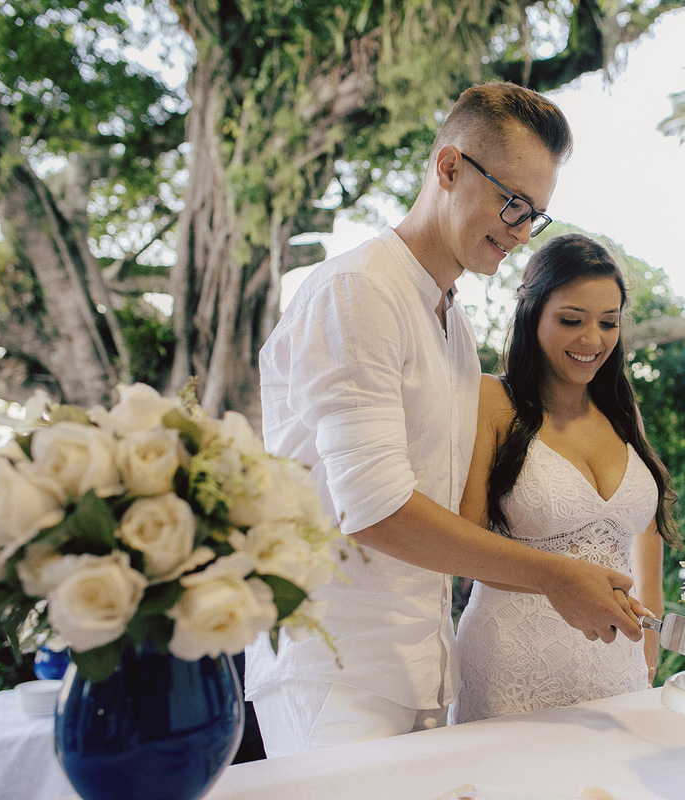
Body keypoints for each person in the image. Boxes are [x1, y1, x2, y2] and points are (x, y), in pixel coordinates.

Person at [248, 83, 644, 757]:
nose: (519, 231)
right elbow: (373, 509)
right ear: (449, 167)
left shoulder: (452, 324)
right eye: (512, 202)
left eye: (535, 216)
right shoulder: (359, 291)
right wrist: (551, 574)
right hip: (337, 666)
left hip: (422, 666)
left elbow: (451, 515)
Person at [450, 233, 680, 723]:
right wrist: (556, 580)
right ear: (533, 314)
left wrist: (652, 635)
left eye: (608, 323)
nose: (592, 340)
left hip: (617, 668)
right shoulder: (492, 401)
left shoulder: (622, 411)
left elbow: (645, 528)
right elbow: (464, 549)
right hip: (513, 666)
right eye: (571, 321)